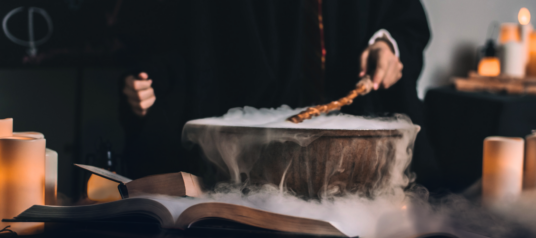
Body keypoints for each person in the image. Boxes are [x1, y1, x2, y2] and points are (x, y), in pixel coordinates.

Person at [120, 0, 434, 185]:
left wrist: (388, 45)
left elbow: (405, 21)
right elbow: (195, 39)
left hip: (359, 159)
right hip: (255, 160)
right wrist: (157, 81)